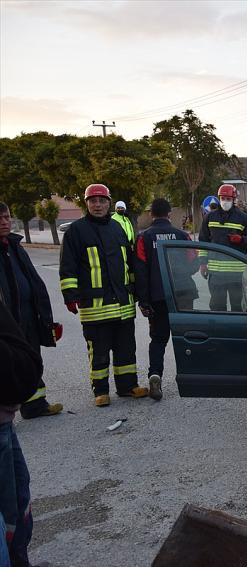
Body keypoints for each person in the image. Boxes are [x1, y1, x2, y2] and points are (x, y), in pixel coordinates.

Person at [60, 183, 148, 407]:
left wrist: (138, 291)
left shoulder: (117, 228)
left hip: (123, 303)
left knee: (126, 349)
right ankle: (100, 391)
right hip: (94, 306)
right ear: (86, 204)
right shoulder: (76, 232)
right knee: (98, 352)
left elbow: (129, 264)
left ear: (109, 203)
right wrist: (70, 295)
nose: (97, 205)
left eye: (101, 201)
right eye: (92, 201)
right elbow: (68, 266)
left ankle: (128, 386)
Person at [0, 203, 63, 419]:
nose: (5, 222)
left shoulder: (15, 246)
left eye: (7, 217)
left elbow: (32, 281)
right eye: (0, 219)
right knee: (9, 364)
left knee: (31, 358)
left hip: (27, 314)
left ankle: (35, 405)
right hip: (7, 319)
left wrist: (44, 315)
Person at [135, 198, 197, 401]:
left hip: (158, 297)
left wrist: (143, 301)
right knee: (186, 337)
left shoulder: (144, 238)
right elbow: (194, 264)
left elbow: (141, 271)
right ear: (169, 214)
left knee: (158, 339)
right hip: (183, 294)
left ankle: (155, 374)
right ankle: (192, 376)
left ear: (151, 215)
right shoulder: (182, 236)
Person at [0, 299, 42, 567]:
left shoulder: (11, 255)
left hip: (5, 416)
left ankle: (19, 559)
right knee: (6, 511)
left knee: (17, 497)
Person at [198, 184, 247, 312]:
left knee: (238, 307)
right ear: (219, 198)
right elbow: (203, 242)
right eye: (223, 198)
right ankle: (220, 331)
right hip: (215, 273)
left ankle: (236, 331)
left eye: (228, 199)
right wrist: (203, 264)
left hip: (236, 273)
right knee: (217, 307)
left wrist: (242, 240)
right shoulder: (209, 217)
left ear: (234, 199)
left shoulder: (244, 218)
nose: (225, 201)